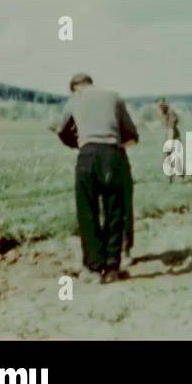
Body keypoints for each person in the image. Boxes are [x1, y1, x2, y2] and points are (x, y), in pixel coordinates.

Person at [50, 73, 139, 283]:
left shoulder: (75, 100)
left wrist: (80, 143)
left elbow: (62, 131)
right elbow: (131, 133)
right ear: (91, 82)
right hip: (112, 156)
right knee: (114, 213)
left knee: (87, 212)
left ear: (74, 87)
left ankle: (92, 268)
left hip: (87, 158)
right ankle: (111, 269)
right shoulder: (114, 97)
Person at [155, 97, 180, 183]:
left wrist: (170, 141)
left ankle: (177, 177)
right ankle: (171, 178)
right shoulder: (163, 113)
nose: (159, 106)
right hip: (168, 136)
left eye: (160, 104)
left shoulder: (170, 113)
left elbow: (171, 127)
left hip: (173, 137)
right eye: (158, 104)